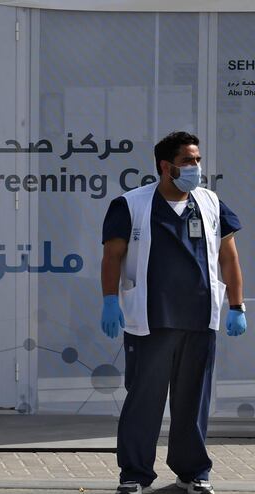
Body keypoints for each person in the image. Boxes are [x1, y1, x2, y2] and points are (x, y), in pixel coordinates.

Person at [100, 132, 246, 494]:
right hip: (151, 320)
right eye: (188, 161)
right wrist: (108, 300)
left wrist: (237, 305)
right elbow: (112, 256)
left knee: (193, 401)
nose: (196, 168)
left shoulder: (210, 202)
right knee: (144, 400)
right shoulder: (130, 204)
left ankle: (193, 471)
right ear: (166, 167)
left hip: (199, 320)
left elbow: (229, 256)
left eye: (197, 160)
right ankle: (134, 474)